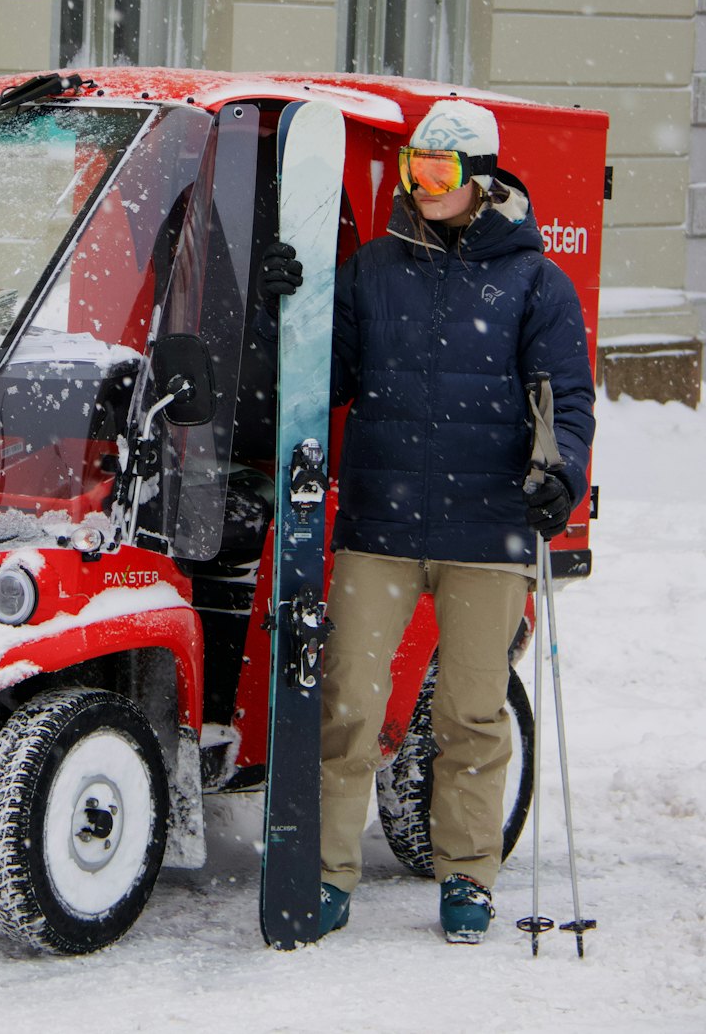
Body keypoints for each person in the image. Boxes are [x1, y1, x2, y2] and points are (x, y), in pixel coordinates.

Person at [260, 97, 595, 944]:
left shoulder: (536, 284)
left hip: (489, 530)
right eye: (416, 167)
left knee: (471, 714)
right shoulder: (373, 270)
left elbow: (567, 400)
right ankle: (325, 872)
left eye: (441, 170)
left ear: (481, 179)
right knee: (347, 704)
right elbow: (325, 378)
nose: (424, 184)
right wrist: (287, 309)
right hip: (381, 528)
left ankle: (469, 875)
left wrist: (562, 475)